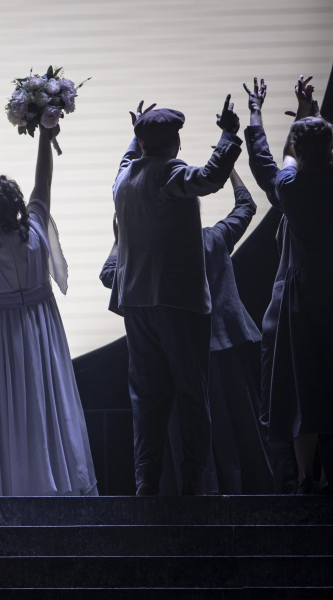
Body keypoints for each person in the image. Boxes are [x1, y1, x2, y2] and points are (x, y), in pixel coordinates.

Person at [0, 126, 97, 496]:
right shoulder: (37, 233)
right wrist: (45, 136)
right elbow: (43, 183)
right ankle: (49, 482)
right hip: (38, 338)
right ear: (16, 207)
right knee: (42, 410)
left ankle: (0, 488)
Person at [102, 169, 271, 494]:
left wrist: (121, 237)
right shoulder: (214, 239)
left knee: (185, 433)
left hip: (176, 356)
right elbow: (246, 206)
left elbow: (110, 274)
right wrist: (232, 172)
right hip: (222, 353)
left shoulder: (149, 256)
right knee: (233, 431)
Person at [113, 97, 242, 496]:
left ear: (141, 143)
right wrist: (228, 135)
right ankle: (193, 479)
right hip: (178, 301)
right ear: (176, 143)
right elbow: (210, 177)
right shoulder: (170, 172)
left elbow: (128, 157)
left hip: (136, 302)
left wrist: (136, 133)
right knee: (191, 392)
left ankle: (145, 480)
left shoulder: (123, 177)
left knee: (147, 396)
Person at [257, 76, 333, 493]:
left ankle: (306, 478)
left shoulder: (290, 187)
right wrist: (312, 116)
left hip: (304, 297)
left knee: (305, 385)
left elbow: (283, 158)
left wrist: (296, 119)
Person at [242, 76, 298, 492]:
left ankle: (287, 477)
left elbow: (265, 162)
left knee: (280, 391)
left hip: (293, 303)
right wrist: (309, 118)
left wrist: (255, 113)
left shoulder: (292, 192)